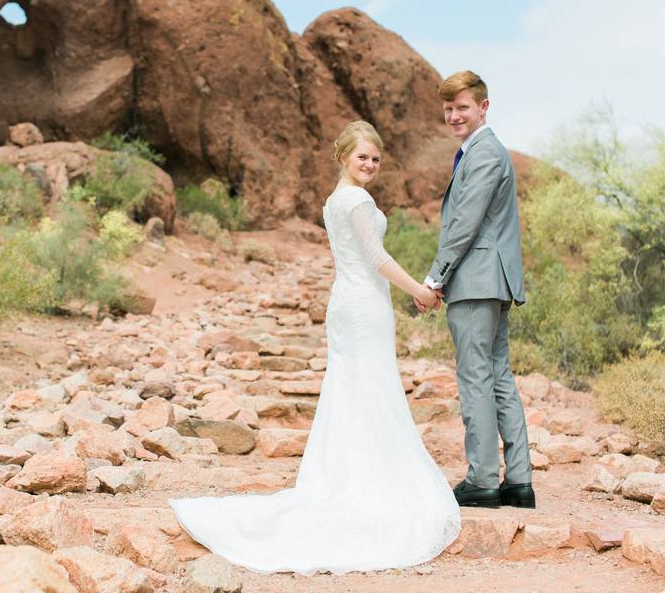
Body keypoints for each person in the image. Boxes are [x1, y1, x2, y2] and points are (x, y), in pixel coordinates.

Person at [168, 121, 461, 575]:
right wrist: (418, 292)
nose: (370, 164)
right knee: (369, 387)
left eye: (376, 159)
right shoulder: (358, 201)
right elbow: (377, 259)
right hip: (363, 306)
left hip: (347, 303)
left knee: (352, 389)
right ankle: (367, 484)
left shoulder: (333, 201)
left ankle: (344, 478)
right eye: (363, 156)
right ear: (343, 155)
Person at [419, 70, 534, 509]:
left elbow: (465, 222)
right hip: (494, 281)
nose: (454, 116)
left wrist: (435, 277)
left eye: (462, 107)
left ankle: (484, 479)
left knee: (476, 378)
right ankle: (518, 481)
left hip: (477, 282)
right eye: (448, 109)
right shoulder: (479, 152)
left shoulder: (484, 152)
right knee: (499, 375)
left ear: (484, 108)